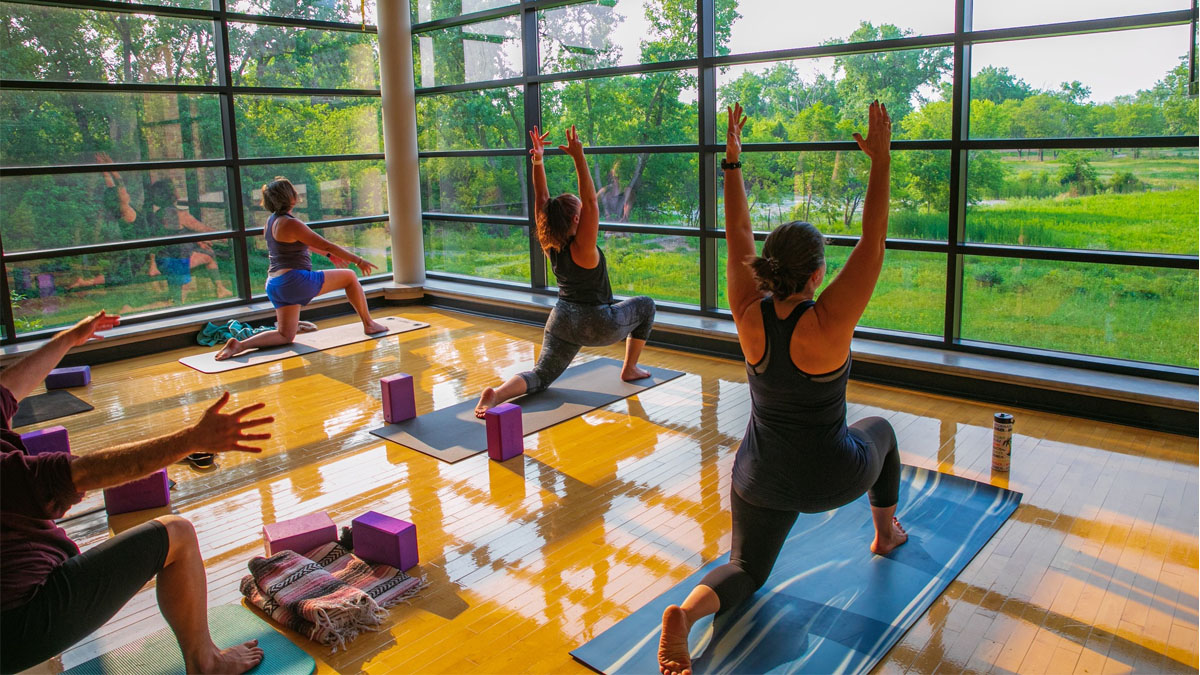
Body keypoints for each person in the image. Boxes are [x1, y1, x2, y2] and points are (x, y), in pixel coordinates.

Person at [656, 101, 907, 675]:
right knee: (884, 433)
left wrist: (732, 162)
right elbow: (874, 239)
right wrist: (881, 161)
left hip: (759, 478)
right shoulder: (829, 322)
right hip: (829, 475)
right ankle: (884, 534)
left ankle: (688, 614)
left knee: (746, 568)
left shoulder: (747, 310)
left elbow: (737, 231)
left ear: (767, 267)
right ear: (818, 273)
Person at [0, 312, 273, 674]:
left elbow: (8, 388)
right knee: (177, 534)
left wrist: (68, 338)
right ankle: (205, 662)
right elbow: (89, 472)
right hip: (19, 624)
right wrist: (191, 439)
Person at [474, 125, 656, 417]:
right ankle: (630, 367)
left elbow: (540, 199)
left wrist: (538, 160)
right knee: (646, 305)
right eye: (583, 210)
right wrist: (578, 156)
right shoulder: (583, 246)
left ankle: (497, 394)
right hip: (598, 322)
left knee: (541, 375)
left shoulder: (551, 244)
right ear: (576, 218)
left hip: (560, 321)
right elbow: (591, 200)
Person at [214, 177, 386, 361]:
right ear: (291, 198)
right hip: (294, 281)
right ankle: (369, 324)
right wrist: (358, 260)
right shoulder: (291, 223)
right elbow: (326, 244)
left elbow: (304, 243)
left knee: (285, 335)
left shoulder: (271, 222)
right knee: (350, 277)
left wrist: (328, 256)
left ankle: (240, 345)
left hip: (275, 284)